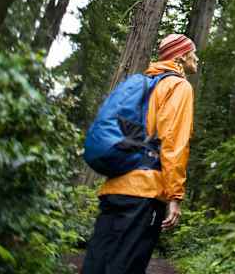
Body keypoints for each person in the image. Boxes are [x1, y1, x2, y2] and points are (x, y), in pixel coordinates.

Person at [82, 34, 197, 274]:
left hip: (115, 189)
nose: (196, 58)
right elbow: (173, 142)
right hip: (144, 194)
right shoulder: (179, 86)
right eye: (193, 52)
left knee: (96, 267)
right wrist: (175, 196)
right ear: (182, 56)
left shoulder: (146, 84)